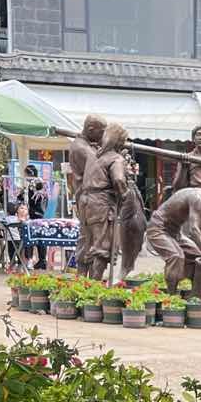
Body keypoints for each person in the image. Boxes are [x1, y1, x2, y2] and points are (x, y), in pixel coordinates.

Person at [77, 124, 129, 281]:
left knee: (87, 242)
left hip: (86, 202)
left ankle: (81, 282)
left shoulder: (93, 155)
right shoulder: (115, 159)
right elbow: (118, 180)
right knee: (102, 245)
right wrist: (124, 194)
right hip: (101, 204)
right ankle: (94, 285)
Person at [69, 115, 107, 275]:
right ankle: (83, 279)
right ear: (91, 130)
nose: (103, 135)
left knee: (91, 239)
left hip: (90, 199)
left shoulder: (87, 146)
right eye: (101, 132)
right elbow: (100, 171)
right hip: (88, 199)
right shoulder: (81, 148)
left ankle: (88, 279)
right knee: (88, 238)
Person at [117, 153, 147, 280]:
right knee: (128, 247)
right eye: (127, 164)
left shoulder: (132, 184)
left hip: (139, 222)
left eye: (131, 164)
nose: (130, 167)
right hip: (128, 222)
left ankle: (129, 268)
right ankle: (124, 270)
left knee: (137, 246)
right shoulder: (122, 183)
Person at [171, 125, 201, 193]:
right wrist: (184, 167)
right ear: (193, 138)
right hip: (193, 194)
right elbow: (178, 186)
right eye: (198, 135)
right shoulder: (186, 158)